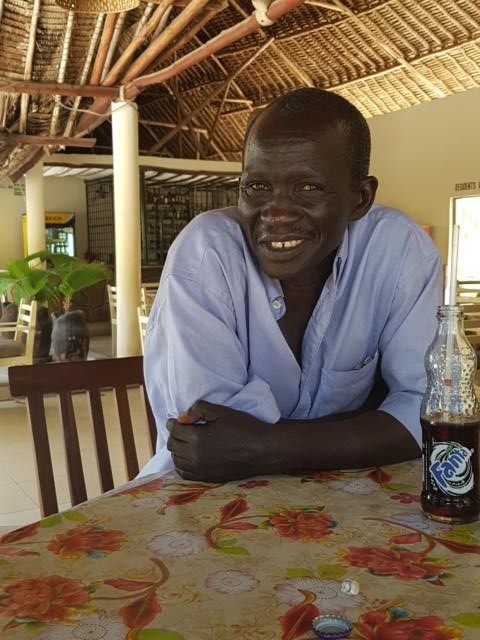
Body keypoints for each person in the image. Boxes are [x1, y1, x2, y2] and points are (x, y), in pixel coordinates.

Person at [140, 87, 442, 481]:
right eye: (258, 187)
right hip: (206, 498)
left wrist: (267, 445)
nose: (277, 213)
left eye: (308, 188)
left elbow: (429, 412)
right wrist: (370, 418)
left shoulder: (398, 250)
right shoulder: (206, 254)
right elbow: (209, 441)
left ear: (360, 198)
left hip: (347, 496)